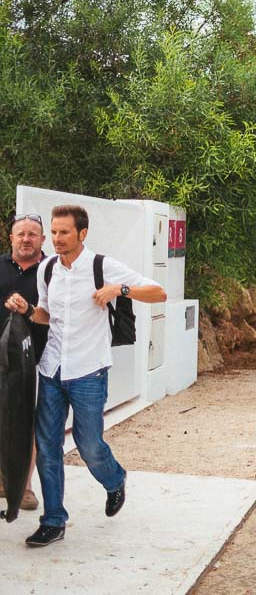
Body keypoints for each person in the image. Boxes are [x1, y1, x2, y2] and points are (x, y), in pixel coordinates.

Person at [4, 204, 166, 548]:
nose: (58, 239)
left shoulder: (102, 266)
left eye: (65, 232)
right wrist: (29, 311)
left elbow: (158, 292)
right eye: (55, 232)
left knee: (89, 445)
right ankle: (54, 521)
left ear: (82, 233)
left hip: (88, 371)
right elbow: (47, 316)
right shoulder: (47, 269)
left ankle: (114, 479)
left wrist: (118, 290)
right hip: (51, 370)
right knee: (48, 448)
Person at [0, 214, 49, 511]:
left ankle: (26, 486)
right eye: (21, 234)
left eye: (33, 234)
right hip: (0, 358)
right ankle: (5, 480)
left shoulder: (53, 269)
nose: (26, 239)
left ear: (43, 240)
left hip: (39, 358)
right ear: (11, 238)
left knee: (27, 422)